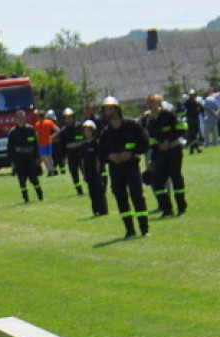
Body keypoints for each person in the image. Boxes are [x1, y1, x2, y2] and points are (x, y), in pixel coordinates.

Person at [97, 95, 150, 238]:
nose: (108, 112)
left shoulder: (132, 126)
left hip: (131, 166)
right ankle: (129, 229)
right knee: (121, 198)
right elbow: (101, 154)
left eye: (110, 109)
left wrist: (131, 153)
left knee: (137, 196)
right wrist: (110, 157)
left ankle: (144, 228)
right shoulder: (105, 133)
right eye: (106, 109)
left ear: (117, 109)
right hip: (116, 169)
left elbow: (145, 143)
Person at [144, 93, 187, 217]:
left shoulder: (169, 114)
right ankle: (166, 209)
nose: (149, 105)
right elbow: (152, 141)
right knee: (157, 182)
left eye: (151, 102)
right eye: (148, 103)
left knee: (175, 176)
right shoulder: (150, 120)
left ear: (159, 103)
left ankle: (181, 206)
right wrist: (153, 160)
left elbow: (182, 127)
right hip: (161, 152)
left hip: (174, 148)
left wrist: (170, 140)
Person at [7, 110, 43, 203]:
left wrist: (37, 157)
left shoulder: (30, 129)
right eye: (19, 118)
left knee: (34, 178)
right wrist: (12, 161)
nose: (21, 120)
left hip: (30, 157)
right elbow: (10, 148)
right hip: (19, 158)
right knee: (22, 180)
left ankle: (40, 196)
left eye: (22, 117)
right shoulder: (13, 132)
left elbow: (35, 144)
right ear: (16, 119)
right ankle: (26, 199)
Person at [79, 120, 108, 217]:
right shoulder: (83, 145)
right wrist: (83, 173)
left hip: (97, 171)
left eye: (89, 131)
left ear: (93, 131)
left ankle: (103, 210)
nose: (87, 133)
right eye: (85, 131)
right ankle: (95, 210)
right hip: (88, 171)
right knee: (92, 191)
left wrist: (98, 169)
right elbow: (82, 159)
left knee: (99, 191)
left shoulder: (97, 143)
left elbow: (99, 157)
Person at [54, 108, 85, 195]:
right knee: (74, 173)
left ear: (73, 117)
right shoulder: (63, 131)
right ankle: (79, 190)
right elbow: (62, 146)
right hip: (71, 155)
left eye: (70, 117)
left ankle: (91, 186)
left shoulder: (80, 127)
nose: (68, 119)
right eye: (66, 118)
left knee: (86, 171)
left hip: (81, 153)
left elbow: (84, 138)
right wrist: (63, 157)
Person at [35, 110, 60, 176]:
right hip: (49, 142)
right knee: (50, 157)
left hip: (42, 143)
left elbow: (37, 134)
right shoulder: (49, 122)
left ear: (39, 117)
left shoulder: (37, 124)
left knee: (44, 158)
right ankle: (53, 170)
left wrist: (37, 142)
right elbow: (58, 130)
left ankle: (50, 171)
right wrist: (52, 136)